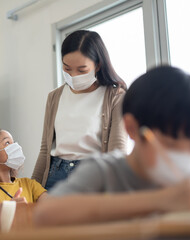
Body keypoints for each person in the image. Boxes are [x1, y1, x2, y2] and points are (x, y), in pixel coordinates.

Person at [33, 66, 190, 226]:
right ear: (132, 129)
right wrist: (162, 200)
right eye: (172, 144)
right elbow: (46, 213)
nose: (185, 157)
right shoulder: (104, 172)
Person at [32, 30, 127, 190]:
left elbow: (117, 151)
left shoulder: (115, 96)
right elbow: (44, 150)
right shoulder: (54, 97)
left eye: (82, 70)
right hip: (55, 175)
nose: (74, 76)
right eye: (67, 68)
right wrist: (32, 188)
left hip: (93, 176)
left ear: (98, 65)